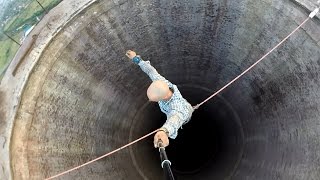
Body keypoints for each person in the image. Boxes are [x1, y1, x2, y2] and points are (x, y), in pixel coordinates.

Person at [126, 50, 194, 148]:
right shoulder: (161, 83)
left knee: (183, 115)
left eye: (156, 99)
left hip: (185, 112)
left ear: (165, 97)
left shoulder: (177, 108)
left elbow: (175, 119)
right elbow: (151, 71)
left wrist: (164, 131)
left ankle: (191, 109)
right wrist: (136, 59)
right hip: (174, 110)